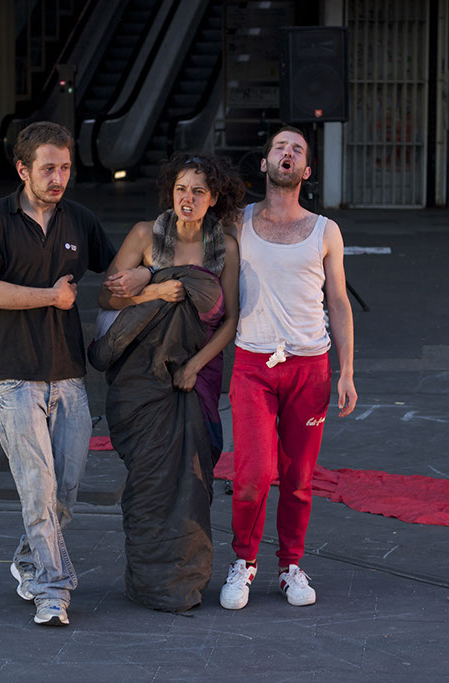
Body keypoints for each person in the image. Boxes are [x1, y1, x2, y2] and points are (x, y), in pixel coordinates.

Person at [0, 122, 148, 627]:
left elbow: (116, 274)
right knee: (38, 489)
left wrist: (146, 273)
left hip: (67, 372)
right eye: (48, 168)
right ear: (22, 169)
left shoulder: (79, 219)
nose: (58, 177)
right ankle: (52, 590)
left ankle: (29, 560)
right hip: (12, 374)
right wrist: (51, 296)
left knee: (64, 490)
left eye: (65, 167)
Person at [90, 153, 244, 611]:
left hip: (196, 376)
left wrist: (194, 365)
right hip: (143, 378)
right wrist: (154, 287)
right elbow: (105, 298)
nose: (187, 198)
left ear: (213, 198)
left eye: (198, 191)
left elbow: (230, 320)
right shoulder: (145, 235)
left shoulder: (225, 247)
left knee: (192, 481)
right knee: (149, 481)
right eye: (180, 189)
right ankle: (148, 582)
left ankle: (184, 581)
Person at [219, 126, 357, 611]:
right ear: (265, 163)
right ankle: (244, 561)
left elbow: (338, 302)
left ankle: (290, 566)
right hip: (253, 363)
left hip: (310, 365)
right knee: (253, 474)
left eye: (297, 149)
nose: (288, 153)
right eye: (280, 147)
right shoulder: (237, 221)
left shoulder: (325, 230)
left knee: (298, 478)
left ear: (306, 170)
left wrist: (346, 371)